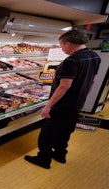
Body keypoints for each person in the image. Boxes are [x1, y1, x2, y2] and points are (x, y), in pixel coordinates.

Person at [24, 29, 101, 169]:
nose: (62, 49)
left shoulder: (71, 60)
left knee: (47, 133)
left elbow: (64, 86)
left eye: (61, 45)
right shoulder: (94, 57)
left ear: (68, 44)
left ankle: (44, 159)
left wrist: (48, 105)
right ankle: (60, 155)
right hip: (77, 104)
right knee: (66, 131)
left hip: (62, 105)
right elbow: (92, 82)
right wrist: (81, 97)